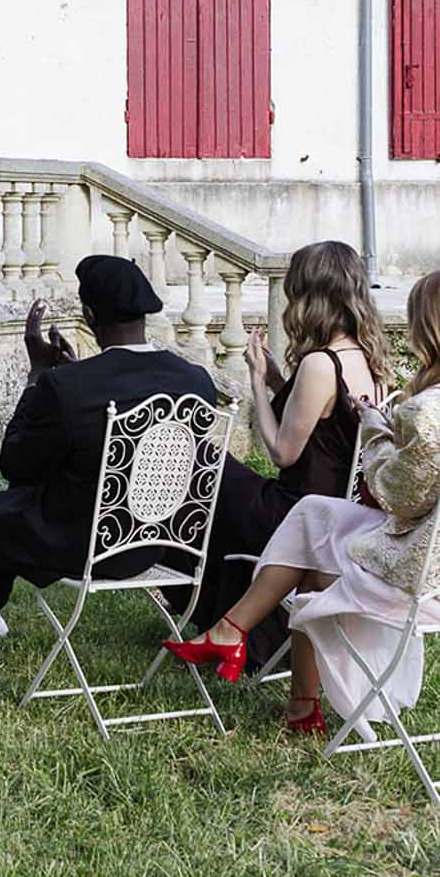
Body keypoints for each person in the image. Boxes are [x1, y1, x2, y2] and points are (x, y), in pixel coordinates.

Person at [166, 270, 440, 735]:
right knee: (310, 519)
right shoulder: (375, 365)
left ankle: (220, 622)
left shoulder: (427, 408)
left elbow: (398, 495)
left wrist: (375, 430)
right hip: (391, 542)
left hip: (415, 572)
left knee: (209, 474)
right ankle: (285, 691)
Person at [0, 255, 219, 660]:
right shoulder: (196, 381)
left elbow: (14, 464)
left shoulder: (69, 386)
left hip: (77, 545)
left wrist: (39, 377)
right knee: (5, 512)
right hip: (154, 544)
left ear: (89, 315)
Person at [185, 240, 389, 672]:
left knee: (202, 464)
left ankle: (209, 615)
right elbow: (327, 430)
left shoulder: (319, 363)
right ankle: (235, 626)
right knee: (218, 493)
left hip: (296, 517)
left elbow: (282, 452)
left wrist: (257, 382)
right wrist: (281, 381)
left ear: (309, 296)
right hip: (338, 514)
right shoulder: (369, 359)